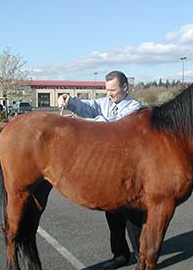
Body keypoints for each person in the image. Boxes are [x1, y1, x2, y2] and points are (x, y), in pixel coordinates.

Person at [58, 70, 143, 269]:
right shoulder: (105, 103)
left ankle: (142, 256)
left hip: (130, 173)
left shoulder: (134, 108)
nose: (110, 94)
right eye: (107, 90)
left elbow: (114, 126)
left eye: (113, 90)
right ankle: (120, 255)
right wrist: (70, 101)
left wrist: (80, 124)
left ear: (125, 87)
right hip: (110, 171)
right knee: (113, 218)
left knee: (134, 219)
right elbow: (89, 107)